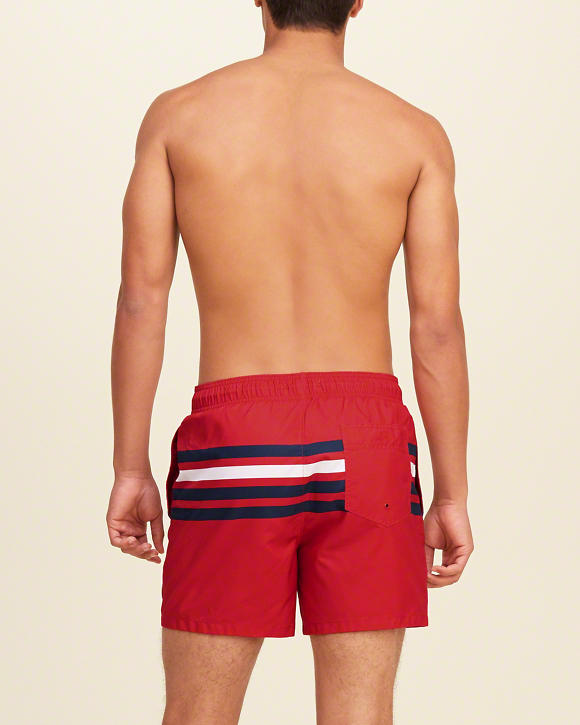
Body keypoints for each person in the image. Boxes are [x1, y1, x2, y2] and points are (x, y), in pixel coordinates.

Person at [107, 1, 474, 722]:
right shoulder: (413, 132)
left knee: (199, 714)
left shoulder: (180, 117)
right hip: (368, 446)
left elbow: (141, 302)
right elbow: (436, 327)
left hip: (237, 442)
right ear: (357, 2)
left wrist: (129, 467)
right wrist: (452, 493)